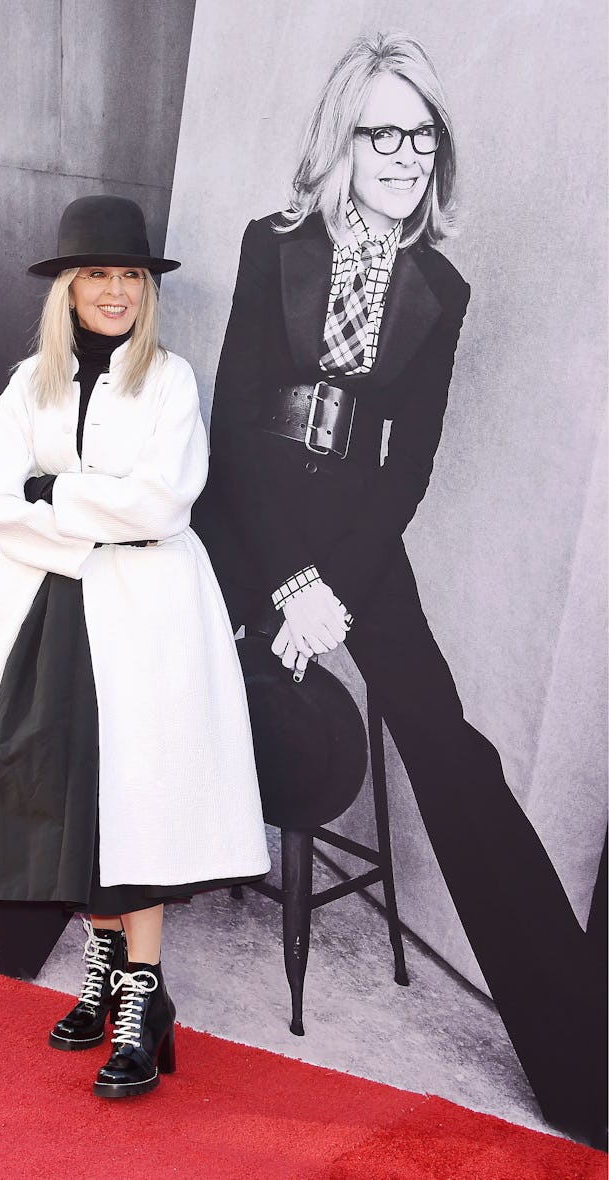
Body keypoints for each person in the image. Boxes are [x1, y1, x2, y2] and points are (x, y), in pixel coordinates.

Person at [195, 32, 606, 1146]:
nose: (405, 153)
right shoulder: (270, 244)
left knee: (450, 744)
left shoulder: (442, 287)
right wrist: (283, 582)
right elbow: (234, 427)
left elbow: (409, 461)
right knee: (144, 650)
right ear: (343, 135)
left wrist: (335, 587)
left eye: (422, 135)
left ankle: (584, 1061)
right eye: (384, 130)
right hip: (251, 513)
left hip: (357, 537)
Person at [0, 194, 270, 1099]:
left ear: (145, 289)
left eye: (130, 275)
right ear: (67, 288)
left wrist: (58, 496)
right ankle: (105, 971)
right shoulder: (24, 384)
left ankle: (143, 1000)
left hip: (150, 615)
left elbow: (164, 503)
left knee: (138, 800)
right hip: (46, 616)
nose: (115, 291)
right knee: (71, 799)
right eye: (97, 275)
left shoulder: (169, 380)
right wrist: (89, 513)